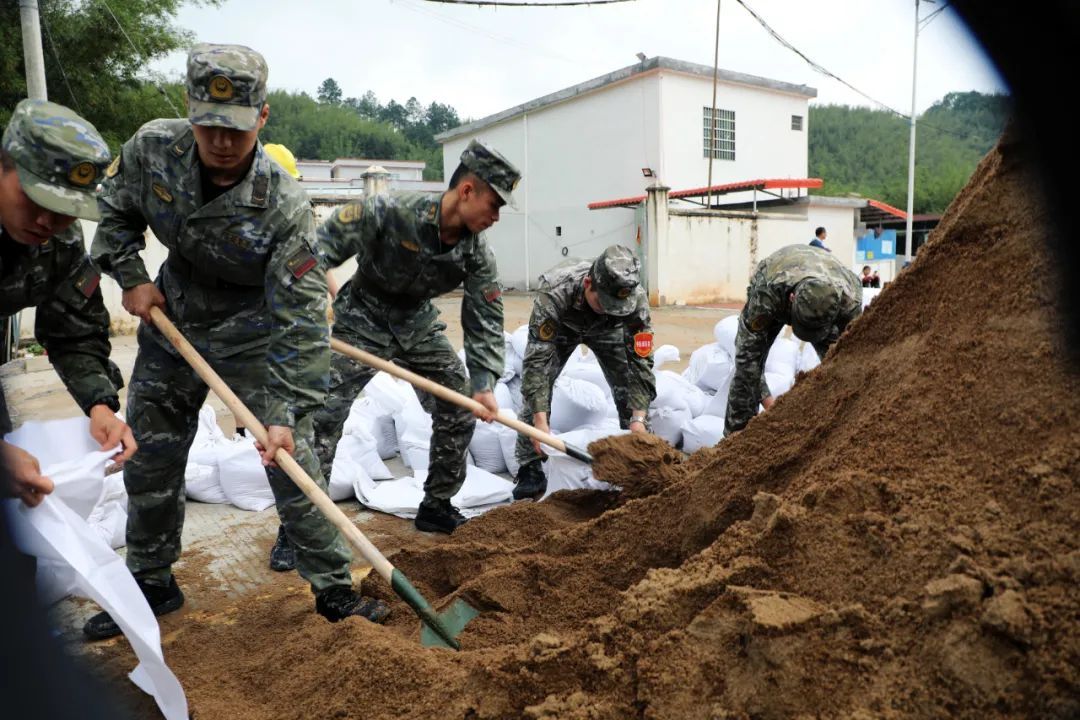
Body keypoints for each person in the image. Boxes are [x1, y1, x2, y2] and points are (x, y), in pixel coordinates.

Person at [84, 43, 388, 639]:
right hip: (172, 318)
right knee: (151, 455)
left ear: (264, 117)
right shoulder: (152, 150)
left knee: (292, 456)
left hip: (255, 327)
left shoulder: (285, 204)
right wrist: (134, 278)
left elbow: (301, 317)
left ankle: (331, 590)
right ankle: (151, 581)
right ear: (189, 111)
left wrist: (286, 411)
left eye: (239, 129)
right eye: (210, 126)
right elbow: (114, 215)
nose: (222, 142)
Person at [310, 139, 515, 535]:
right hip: (362, 317)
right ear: (467, 191)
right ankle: (302, 526)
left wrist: (485, 383)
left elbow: (486, 316)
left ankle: (437, 504)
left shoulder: (476, 252)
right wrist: (296, 309)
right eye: (495, 204)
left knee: (458, 401)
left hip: (417, 323)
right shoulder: (390, 211)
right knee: (324, 414)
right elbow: (317, 252)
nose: (497, 216)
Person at [0, 99, 136, 508]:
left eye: (62, 210)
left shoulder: (60, 242)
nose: (47, 221)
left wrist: (100, 405)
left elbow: (73, 332)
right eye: (36, 199)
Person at [512, 245, 656, 500]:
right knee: (538, 389)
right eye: (604, 302)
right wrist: (540, 424)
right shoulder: (556, 291)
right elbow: (537, 364)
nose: (611, 308)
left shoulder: (635, 301)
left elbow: (641, 363)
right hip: (564, 328)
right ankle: (529, 466)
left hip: (608, 331)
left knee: (628, 388)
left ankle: (637, 456)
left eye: (618, 305)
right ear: (589, 283)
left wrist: (639, 419)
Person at [724, 244, 862, 437]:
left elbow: (857, 357)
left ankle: (845, 433)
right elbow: (748, 358)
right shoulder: (768, 295)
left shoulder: (850, 301)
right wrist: (769, 404)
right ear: (792, 298)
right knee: (746, 376)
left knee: (844, 368)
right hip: (777, 276)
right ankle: (735, 442)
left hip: (827, 287)